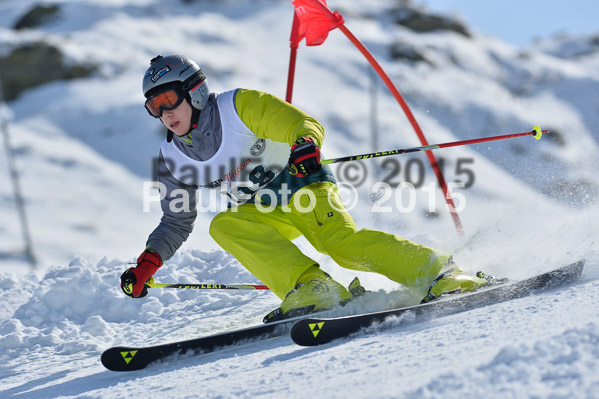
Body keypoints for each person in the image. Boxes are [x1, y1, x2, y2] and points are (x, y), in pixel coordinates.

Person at [120, 54, 489, 321]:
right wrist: (149, 261)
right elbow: (176, 220)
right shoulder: (172, 157)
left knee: (339, 244)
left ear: (194, 92)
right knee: (225, 225)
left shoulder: (238, 106)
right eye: (154, 107)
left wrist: (304, 145)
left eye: (168, 100)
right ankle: (313, 287)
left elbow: (300, 123)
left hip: (300, 181)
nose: (165, 113)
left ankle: (440, 272)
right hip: (262, 206)